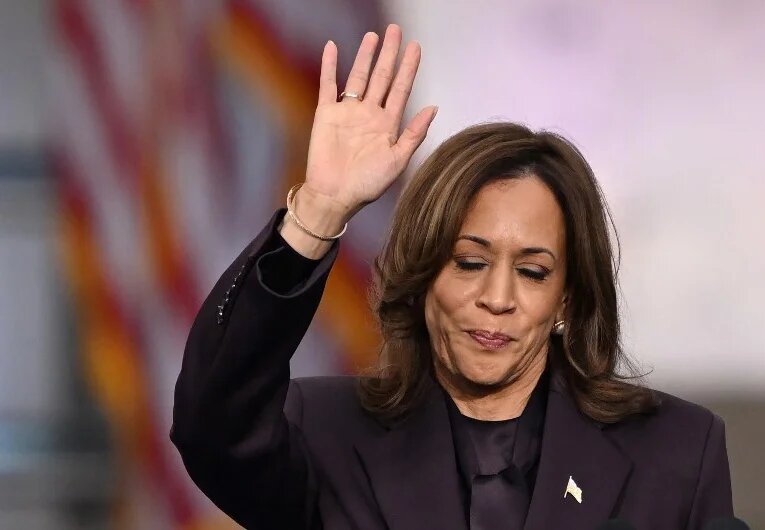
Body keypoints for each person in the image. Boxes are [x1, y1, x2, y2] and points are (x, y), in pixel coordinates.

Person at [170, 24, 733, 530]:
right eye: (470, 262)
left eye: (533, 272)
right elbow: (212, 426)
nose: (497, 298)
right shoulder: (325, 434)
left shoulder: (676, 453)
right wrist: (319, 210)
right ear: (421, 276)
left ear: (567, 299)